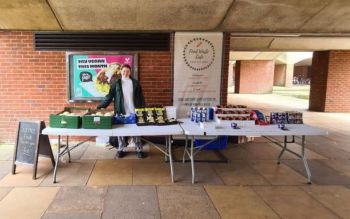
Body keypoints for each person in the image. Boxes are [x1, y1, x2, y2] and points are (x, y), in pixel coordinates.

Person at [97, 64, 146, 158]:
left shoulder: (135, 83)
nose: (125, 73)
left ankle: (139, 149)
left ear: (130, 72)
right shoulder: (116, 83)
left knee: (137, 131)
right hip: (120, 111)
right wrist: (101, 106)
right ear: (121, 72)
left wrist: (143, 109)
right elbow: (109, 96)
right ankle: (121, 149)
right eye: (124, 71)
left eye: (127, 71)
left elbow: (141, 97)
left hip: (134, 111)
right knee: (120, 132)